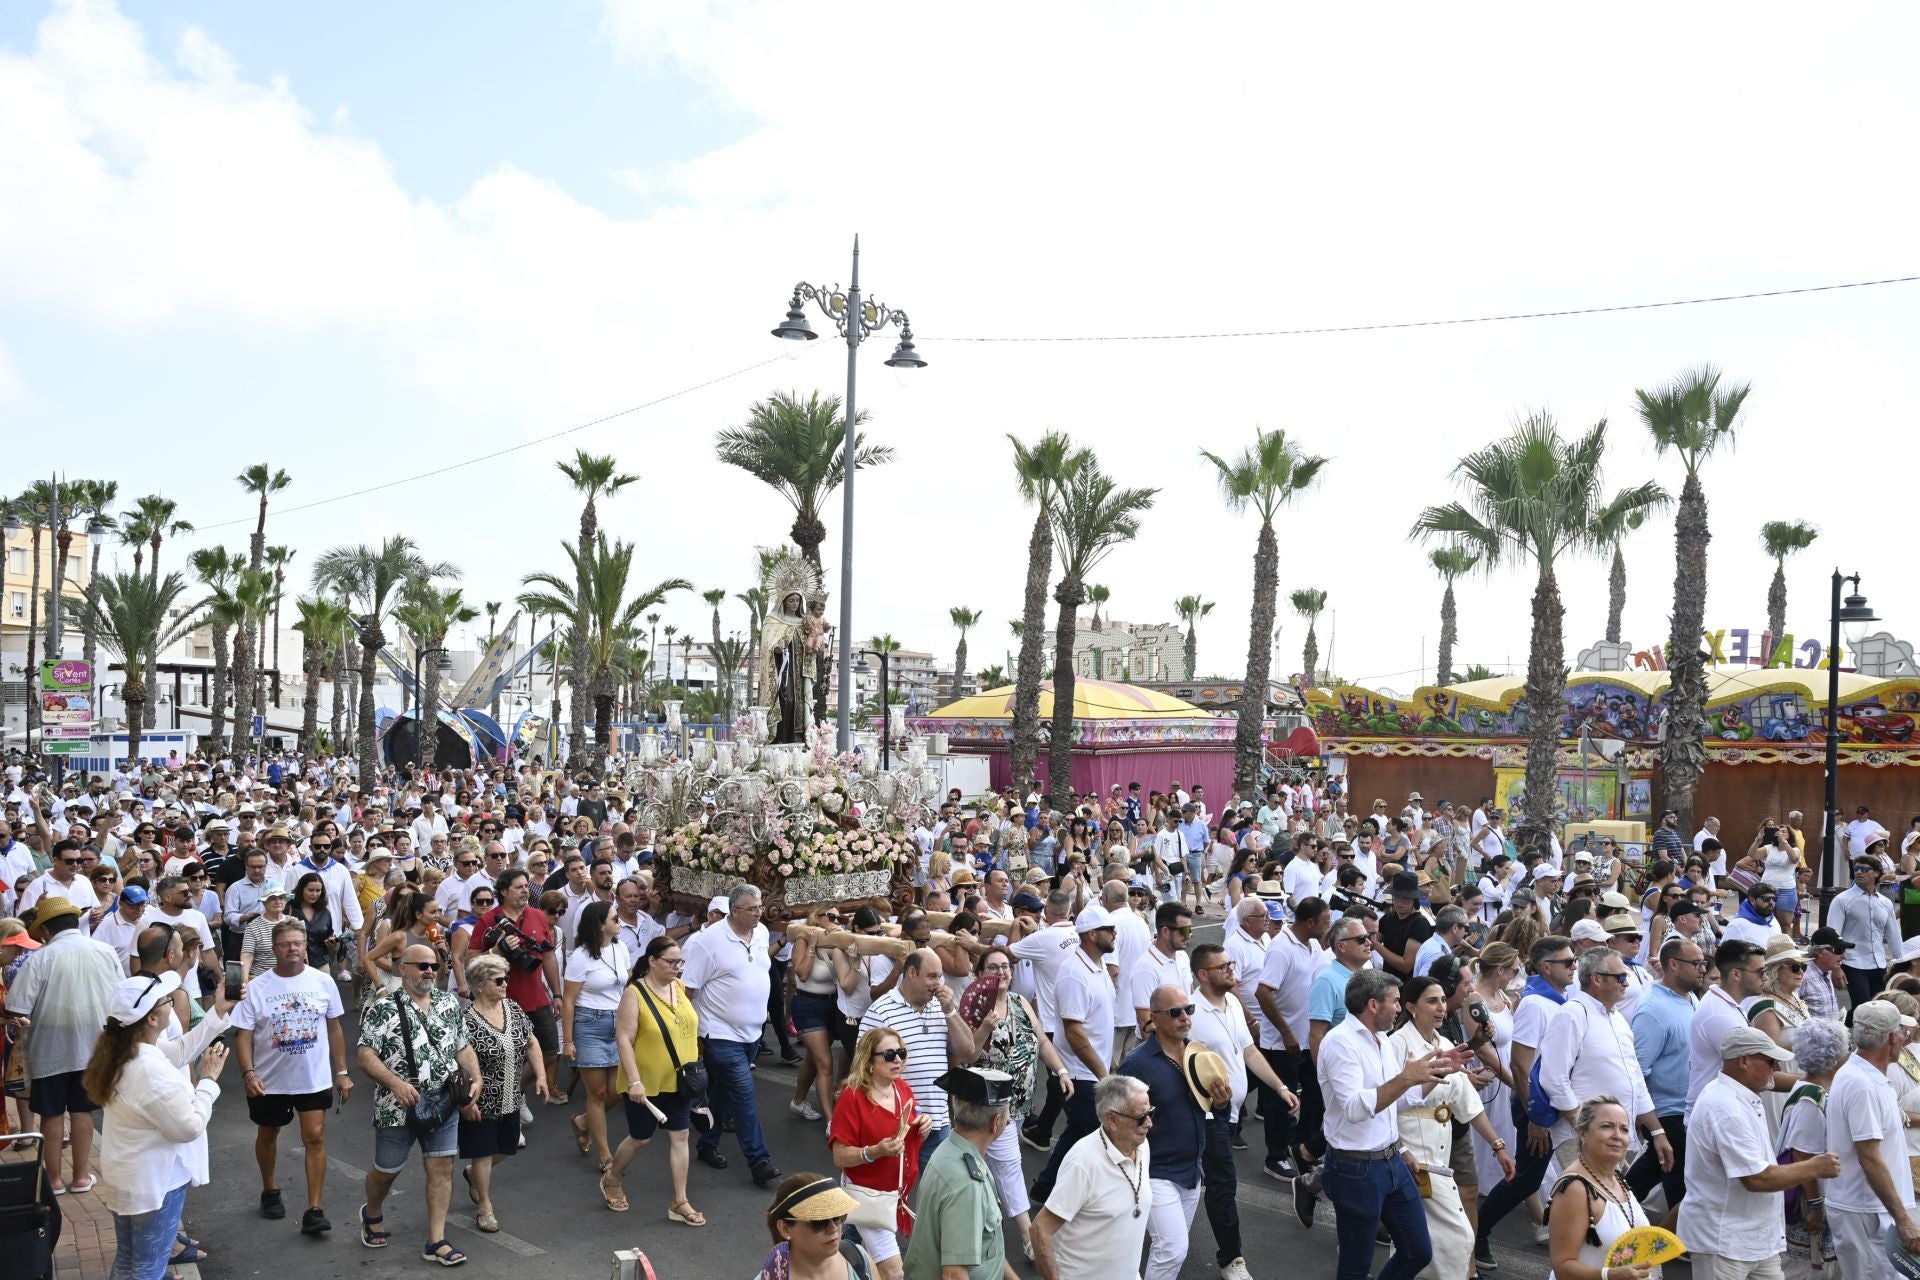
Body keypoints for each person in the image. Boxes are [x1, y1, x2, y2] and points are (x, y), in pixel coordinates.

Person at [83, 970, 231, 1280]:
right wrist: (208, 1082)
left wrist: (217, 1011)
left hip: (129, 1174)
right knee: (148, 1269)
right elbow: (189, 1127)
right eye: (166, 1001)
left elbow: (179, 1052)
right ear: (152, 1019)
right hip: (155, 1181)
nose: (172, 1003)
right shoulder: (148, 1069)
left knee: (128, 1262)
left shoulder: (126, 1050)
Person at [1679, 1025, 1841, 1280]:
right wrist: (1815, 1167)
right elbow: (1756, 1179)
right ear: (1744, 1061)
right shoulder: (1726, 1107)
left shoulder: (1740, 1097)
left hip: (1756, 1241)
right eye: (1770, 1061)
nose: (1777, 1068)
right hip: (1725, 1245)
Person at [355, 942, 480, 1266]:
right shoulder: (383, 1007)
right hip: (398, 1105)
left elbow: (462, 1046)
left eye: (434, 966)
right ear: (402, 969)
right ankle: (372, 1212)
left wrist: (476, 1078)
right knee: (387, 1171)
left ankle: (436, 1240)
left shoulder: (448, 1003)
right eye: (422, 965)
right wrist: (395, 1083)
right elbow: (365, 1054)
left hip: (444, 1101)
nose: (429, 971)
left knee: (441, 1167)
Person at [1386, 974, 1516, 1280]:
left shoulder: (1444, 1044)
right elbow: (1385, 1104)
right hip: (1415, 1157)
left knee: (1420, 1237)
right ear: (1410, 1006)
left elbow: (1467, 1103)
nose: (1441, 1007)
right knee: (1457, 1235)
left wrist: (1498, 1146)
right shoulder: (1397, 1044)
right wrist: (1400, 1150)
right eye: (1432, 1001)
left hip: (1441, 1153)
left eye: (1443, 1000)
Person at [230, 917, 352, 1233]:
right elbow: (242, 1035)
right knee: (268, 1133)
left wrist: (342, 1071)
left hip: (313, 1078)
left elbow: (335, 1028)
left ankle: (314, 1209)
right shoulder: (256, 988)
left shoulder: (323, 982)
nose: (292, 949)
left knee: (315, 1136)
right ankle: (270, 1189)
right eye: (285, 944)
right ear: (274, 949)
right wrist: (248, 1074)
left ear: (305, 945)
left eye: (297, 943)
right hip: (269, 1081)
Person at [1190, 942, 1297, 1280]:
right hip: (1208, 1116)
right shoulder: (1190, 1014)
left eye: (1231, 964)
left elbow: (1249, 1052)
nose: (1231, 971)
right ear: (1203, 974)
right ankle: (1232, 1259)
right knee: (1223, 1186)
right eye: (1223, 967)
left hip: (1231, 1114)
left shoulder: (1234, 1003)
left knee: (1196, 1182)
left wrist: (1279, 1087)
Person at [2, 897, 125, 1193]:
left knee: (52, 1113)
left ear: (46, 931)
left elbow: (17, 1007)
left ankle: (54, 1180)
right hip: (93, 1047)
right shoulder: (105, 951)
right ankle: (81, 1177)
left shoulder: (40, 959)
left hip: (49, 1049)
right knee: (83, 1111)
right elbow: (121, 997)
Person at [1470, 933, 1575, 1260]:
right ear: (1547, 967)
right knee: (1526, 1178)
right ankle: (1478, 1232)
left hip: (1555, 1102)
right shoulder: (1535, 1004)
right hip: (1536, 1104)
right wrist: (1535, 1114)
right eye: (1568, 962)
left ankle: (1559, 1228)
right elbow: (1521, 1064)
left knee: (1538, 1176)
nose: (1574, 967)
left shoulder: (1554, 1000)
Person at [963, 944, 1070, 1259]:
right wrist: (985, 1027)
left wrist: (1061, 1070)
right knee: (1009, 1166)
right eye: (993, 967)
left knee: (989, 1165)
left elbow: (1042, 1040)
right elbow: (967, 1054)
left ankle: (976, 1217)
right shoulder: (973, 1008)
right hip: (990, 1105)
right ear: (980, 974)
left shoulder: (1020, 1002)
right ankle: (1029, 1236)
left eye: (1006, 966)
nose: (1002, 972)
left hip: (1021, 1104)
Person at [1121, 983, 1231, 1280]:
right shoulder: (1137, 1065)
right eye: (1175, 1012)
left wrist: (1221, 1104)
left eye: (1188, 1009)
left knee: (1171, 1251)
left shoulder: (1199, 1057)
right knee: (1172, 1249)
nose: (1185, 1017)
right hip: (1154, 1172)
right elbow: (1117, 1122)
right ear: (1155, 1018)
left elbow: (1213, 1112)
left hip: (1191, 1171)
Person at [1538, 948, 1670, 1173]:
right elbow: (1554, 1079)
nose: (1626, 983)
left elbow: (1635, 1079)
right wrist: (1585, 1130)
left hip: (1614, 1135)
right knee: (1585, 1195)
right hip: (1580, 1138)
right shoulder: (1572, 1014)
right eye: (1621, 977)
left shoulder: (1618, 1019)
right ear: (1596, 979)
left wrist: (1657, 1132)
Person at [685, 883, 781, 1186]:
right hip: (720, 1033)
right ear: (734, 911)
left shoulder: (761, 932)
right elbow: (688, 988)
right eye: (752, 909)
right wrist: (689, 1034)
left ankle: (706, 1145)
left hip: (753, 1032)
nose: (759, 913)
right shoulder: (708, 941)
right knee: (743, 1093)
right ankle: (759, 1160)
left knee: (724, 1093)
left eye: (760, 907)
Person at [604, 934, 705, 1221]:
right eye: (671, 962)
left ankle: (680, 1201)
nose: (677, 967)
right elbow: (624, 1039)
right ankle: (612, 1177)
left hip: (680, 1080)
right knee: (640, 1138)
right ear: (652, 960)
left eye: (680, 962)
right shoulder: (634, 994)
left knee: (681, 1135)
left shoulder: (679, 987)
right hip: (645, 1083)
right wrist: (634, 1081)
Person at [1818, 999, 1920, 1280]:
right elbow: (1869, 1157)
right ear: (1891, 1039)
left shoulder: (1865, 1075)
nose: (1906, 1039)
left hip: (1874, 1209)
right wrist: (1902, 1218)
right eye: (1903, 1032)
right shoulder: (1861, 1084)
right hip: (1868, 1212)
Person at [1029, 903, 1118, 1206]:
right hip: (1079, 1076)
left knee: (1077, 1135)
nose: (1115, 933)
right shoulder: (1074, 974)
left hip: (1092, 1071)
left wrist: (1109, 1063)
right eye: (1109, 929)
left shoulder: (1098, 965)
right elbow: (1074, 1031)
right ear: (1092, 934)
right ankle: (1090, 1203)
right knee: (1103, 1139)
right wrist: (1104, 1075)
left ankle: (1045, 1188)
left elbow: (1098, 1023)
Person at [829, 1026, 930, 1280]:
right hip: (869, 1196)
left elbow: (908, 1129)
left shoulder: (902, 1089)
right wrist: (875, 1152)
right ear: (869, 1061)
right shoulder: (852, 1097)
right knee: (894, 1271)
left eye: (901, 1053)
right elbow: (839, 1156)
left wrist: (923, 1126)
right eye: (889, 1055)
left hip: (893, 1196)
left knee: (870, 1262)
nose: (897, 1060)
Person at [1029, 1074, 1154, 1280]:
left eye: (1150, 1113)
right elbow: (1040, 1229)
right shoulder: (1083, 1163)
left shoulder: (1141, 1145)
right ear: (1112, 1119)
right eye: (1140, 1117)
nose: (1148, 1123)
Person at [860, 948, 971, 1175]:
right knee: (894, 1187)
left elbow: (967, 1051)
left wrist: (950, 1010)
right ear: (911, 972)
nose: (938, 984)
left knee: (940, 1189)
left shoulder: (942, 1008)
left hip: (938, 1122)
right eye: (932, 976)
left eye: (940, 977)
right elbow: (862, 1068)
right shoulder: (880, 1012)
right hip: (897, 1125)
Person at [460, 952, 546, 1235]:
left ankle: (473, 1174)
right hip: (481, 1101)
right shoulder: (466, 1020)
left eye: (506, 978)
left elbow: (531, 1042)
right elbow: (458, 1063)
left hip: (511, 1097)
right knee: (483, 1152)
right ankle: (485, 1207)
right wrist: (466, 1101)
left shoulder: (512, 1007)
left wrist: (541, 1076)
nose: (506, 984)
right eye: (499, 980)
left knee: (507, 1147)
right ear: (480, 984)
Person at [903, 1066, 1012, 1280]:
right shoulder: (966, 1184)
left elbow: (988, 1246)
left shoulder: (952, 1150)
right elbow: (954, 1274)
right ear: (996, 1122)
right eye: (1008, 1113)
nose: (1009, 1121)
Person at [1544, 1096, 1661, 1280]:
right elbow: (1563, 1268)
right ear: (1583, 1134)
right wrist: (1610, 1275)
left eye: (1624, 1129)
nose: (1617, 1135)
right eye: (1607, 1126)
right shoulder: (1575, 1189)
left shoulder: (1616, 1178)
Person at [561, 899, 629, 1170]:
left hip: (619, 1022)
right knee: (597, 1093)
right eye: (615, 918)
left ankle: (583, 1122)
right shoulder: (580, 956)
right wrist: (568, 1041)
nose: (619, 921)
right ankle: (605, 1156)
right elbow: (568, 1001)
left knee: (618, 1090)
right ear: (601, 925)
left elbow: (626, 986)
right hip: (590, 1024)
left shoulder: (620, 948)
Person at [1781, 1018, 1849, 1280]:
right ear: (1834, 1058)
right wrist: (1815, 1205)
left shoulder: (1813, 1090)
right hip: (1807, 1202)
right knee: (1808, 1271)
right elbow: (1803, 1155)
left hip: (1815, 1197)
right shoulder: (1812, 1098)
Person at [756, 1173, 870, 1280]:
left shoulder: (858, 1257)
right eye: (819, 1222)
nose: (833, 1228)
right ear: (785, 1229)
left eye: (837, 1217)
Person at [1831, 859, 1903, 1009]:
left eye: (1864, 869)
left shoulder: (1885, 903)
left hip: (1879, 964)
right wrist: (1836, 967)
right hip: (1853, 963)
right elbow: (1833, 935)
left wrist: (1902, 964)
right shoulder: (1842, 900)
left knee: (1878, 1008)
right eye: (1856, 868)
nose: (1859, 872)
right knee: (1862, 1007)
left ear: (1876, 873)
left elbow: (1894, 936)